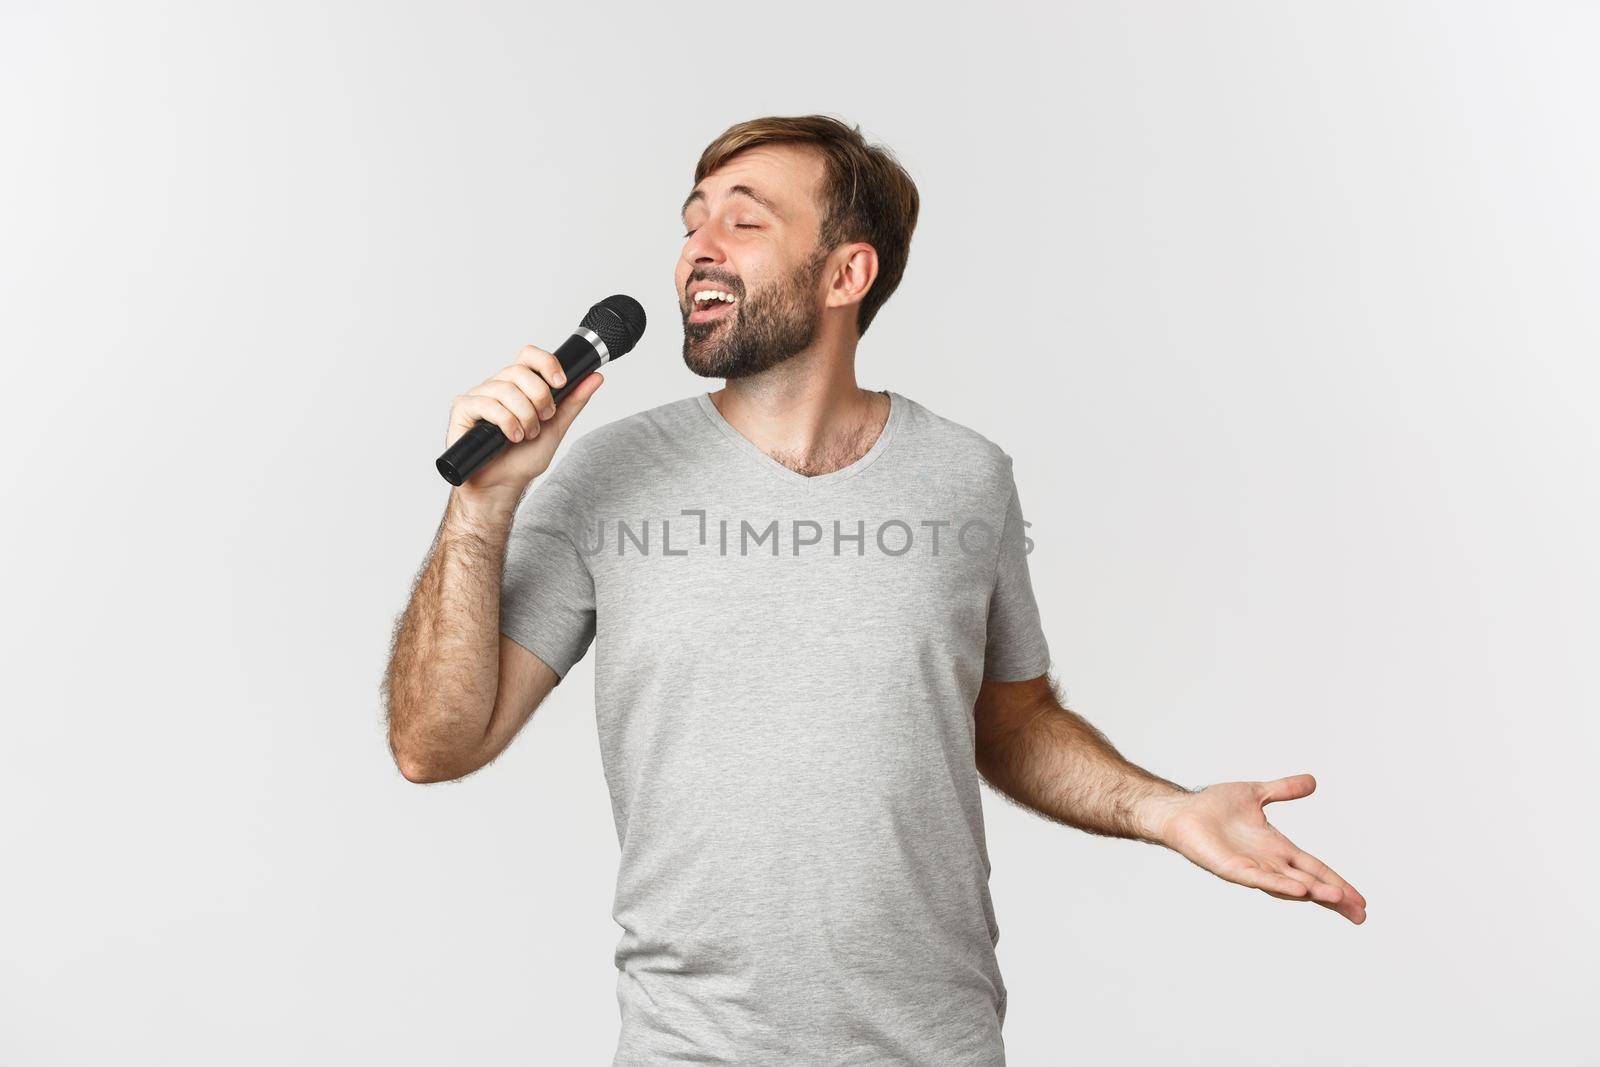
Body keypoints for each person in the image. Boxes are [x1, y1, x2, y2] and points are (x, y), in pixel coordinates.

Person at [382, 114, 1367, 1066]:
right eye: (691, 222)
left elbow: (1012, 720)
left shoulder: (965, 478)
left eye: (744, 218)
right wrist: (483, 500)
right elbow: (433, 744)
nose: (697, 248)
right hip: (688, 1047)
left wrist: (1165, 809)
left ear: (847, 272)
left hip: (933, 1045)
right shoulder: (607, 476)